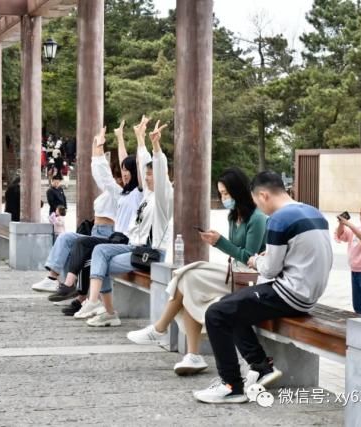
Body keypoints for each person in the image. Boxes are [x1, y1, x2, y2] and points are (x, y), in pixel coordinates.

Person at [193, 171, 333, 404]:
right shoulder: (312, 211)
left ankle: (231, 385)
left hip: (289, 294)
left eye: (257, 201)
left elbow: (268, 270)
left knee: (216, 313)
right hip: (308, 294)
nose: (258, 206)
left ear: (264, 195)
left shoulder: (279, 219)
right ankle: (261, 366)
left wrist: (255, 260)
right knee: (230, 307)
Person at [127, 167, 268, 375]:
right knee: (187, 278)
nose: (224, 198)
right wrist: (220, 242)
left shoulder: (257, 218)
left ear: (238, 191)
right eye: (221, 193)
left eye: (226, 193)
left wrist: (220, 242)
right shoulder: (233, 216)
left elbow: (249, 257)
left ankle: (162, 330)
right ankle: (190, 354)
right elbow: (235, 253)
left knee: (189, 275)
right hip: (232, 274)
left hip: (248, 279)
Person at [72, 120, 173, 327]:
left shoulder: (164, 197)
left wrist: (156, 147)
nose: (146, 178)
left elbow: (158, 169)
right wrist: (141, 141)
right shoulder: (148, 195)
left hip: (150, 253)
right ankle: (106, 310)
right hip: (134, 247)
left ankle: (97, 304)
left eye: (150, 175)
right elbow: (142, 162)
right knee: (100, 255)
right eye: (145, 174)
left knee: (99, 255)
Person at [31, 121, 143, 298]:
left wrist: (136, 139)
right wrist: (99, 146)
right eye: (122, 172)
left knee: (88, 251)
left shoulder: (136, 193)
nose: (123, 175)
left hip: (114, 236)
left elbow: (118, 170)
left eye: (127, 172)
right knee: (68, 239)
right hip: (103, 233)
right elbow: (109, 172)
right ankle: (55, 280)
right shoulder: (121, 193)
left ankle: (82, 296)